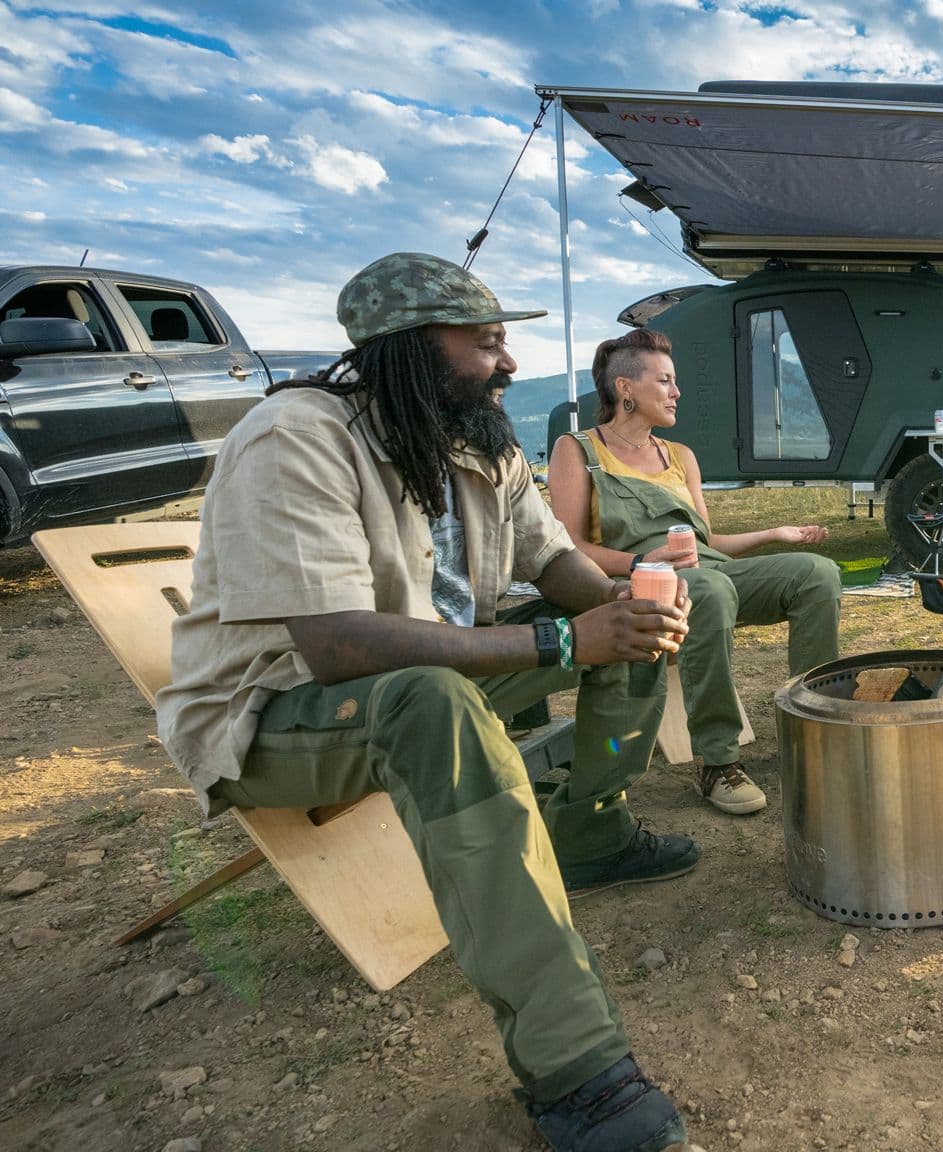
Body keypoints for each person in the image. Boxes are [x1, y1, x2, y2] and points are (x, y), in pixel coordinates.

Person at [156, 253, 695, 1152]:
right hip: (278, 716)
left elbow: (548, 557)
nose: (507, 363)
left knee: (629, 620)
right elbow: (338, 647)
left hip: (430, 678)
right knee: (434, 704)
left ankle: (594, 829)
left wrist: (609, 607)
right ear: (410, 351)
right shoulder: (297, 437)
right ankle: (580, 1077)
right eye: (484, 345)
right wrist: (561, 641)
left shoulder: (471, 439)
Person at [548, 327, 841, 815]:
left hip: (708, 573)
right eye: (664, 381)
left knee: (817, 573)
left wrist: (774, 534)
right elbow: (568, 546)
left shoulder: (679, 456)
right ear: (626, 389)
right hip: (635, 584)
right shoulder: (578, 450)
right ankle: (718, 761)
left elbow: (706, 542)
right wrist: (640, 561)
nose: (676, 391)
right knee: (707, 589)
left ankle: (815, 731)